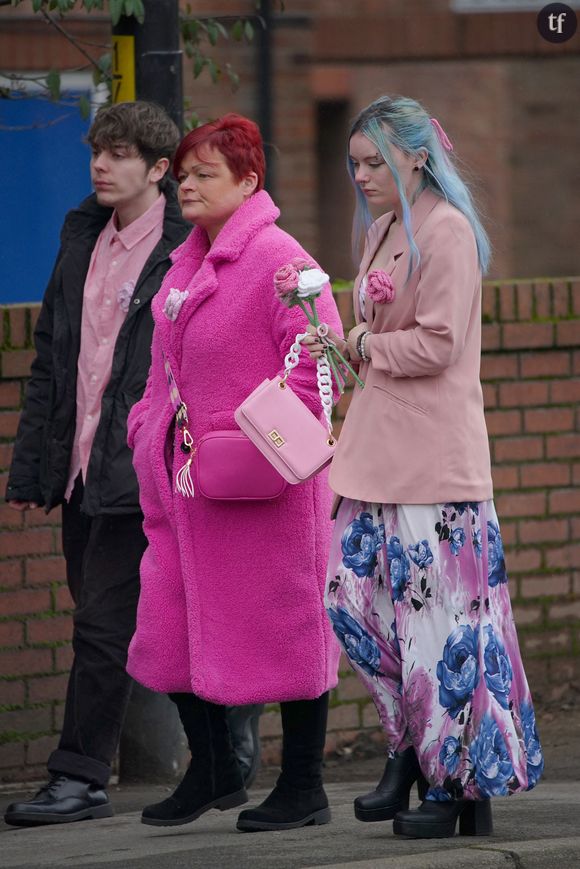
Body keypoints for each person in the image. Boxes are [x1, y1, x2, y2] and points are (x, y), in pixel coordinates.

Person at [3, 102, 261, 827]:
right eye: (97, 152)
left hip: (148, 465)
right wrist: (34, 468)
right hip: (84, 466)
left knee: (102, 625)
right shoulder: (81, 234)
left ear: (157, 169)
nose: (100, 165)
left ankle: (78, 774)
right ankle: (230, 742)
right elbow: (55, 356)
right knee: (148, 619)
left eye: (119, 154)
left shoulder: (187, 246)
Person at [304, 95, 544, 839]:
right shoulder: (381, 230)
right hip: (376, 456)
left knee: (445, 629)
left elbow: (438, 343)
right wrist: (345, 345)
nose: (362, 174)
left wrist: (367, 344)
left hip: (434, 466)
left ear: (417, 155)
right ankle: (412, 746)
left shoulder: (448, 231)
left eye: (376, 160)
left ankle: (454, 781)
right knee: (350, 595)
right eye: (356, 162)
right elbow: (387, 338)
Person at [125, 113, 343, 833]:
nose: (186, 185)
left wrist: (272, 450)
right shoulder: (184, 263)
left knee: (286, 630)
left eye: (203, 174)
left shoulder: (281, 258)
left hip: (264, 492)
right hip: (186, 492)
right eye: (182, 175)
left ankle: (304, 785)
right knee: (171, 626)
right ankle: (215, 769)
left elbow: (320, 358)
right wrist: (145, 433)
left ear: (249, 181)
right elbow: (165, 371)